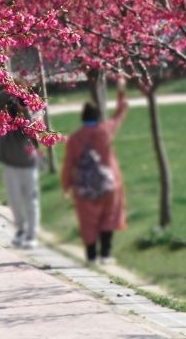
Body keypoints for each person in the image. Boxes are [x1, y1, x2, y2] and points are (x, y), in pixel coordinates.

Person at [61, 76, 128, 265]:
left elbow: (69, 164)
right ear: (98, 116)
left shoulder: (75, 139)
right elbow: (120, 114)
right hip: (109, 183)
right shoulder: (105, 131)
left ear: (83, 117)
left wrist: (66, 185)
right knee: (109, 216)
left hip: (84, 186)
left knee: (88, 220)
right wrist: (121, 91)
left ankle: (91, 256)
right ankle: (106, 255)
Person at [0, 87, 41, 249]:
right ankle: (21, 229)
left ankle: (32, 233)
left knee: (30, 198)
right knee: (14, 199)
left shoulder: (29, 102)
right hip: (9, 159)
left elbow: (36, 130)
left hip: (27, 160)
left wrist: (25, 108)